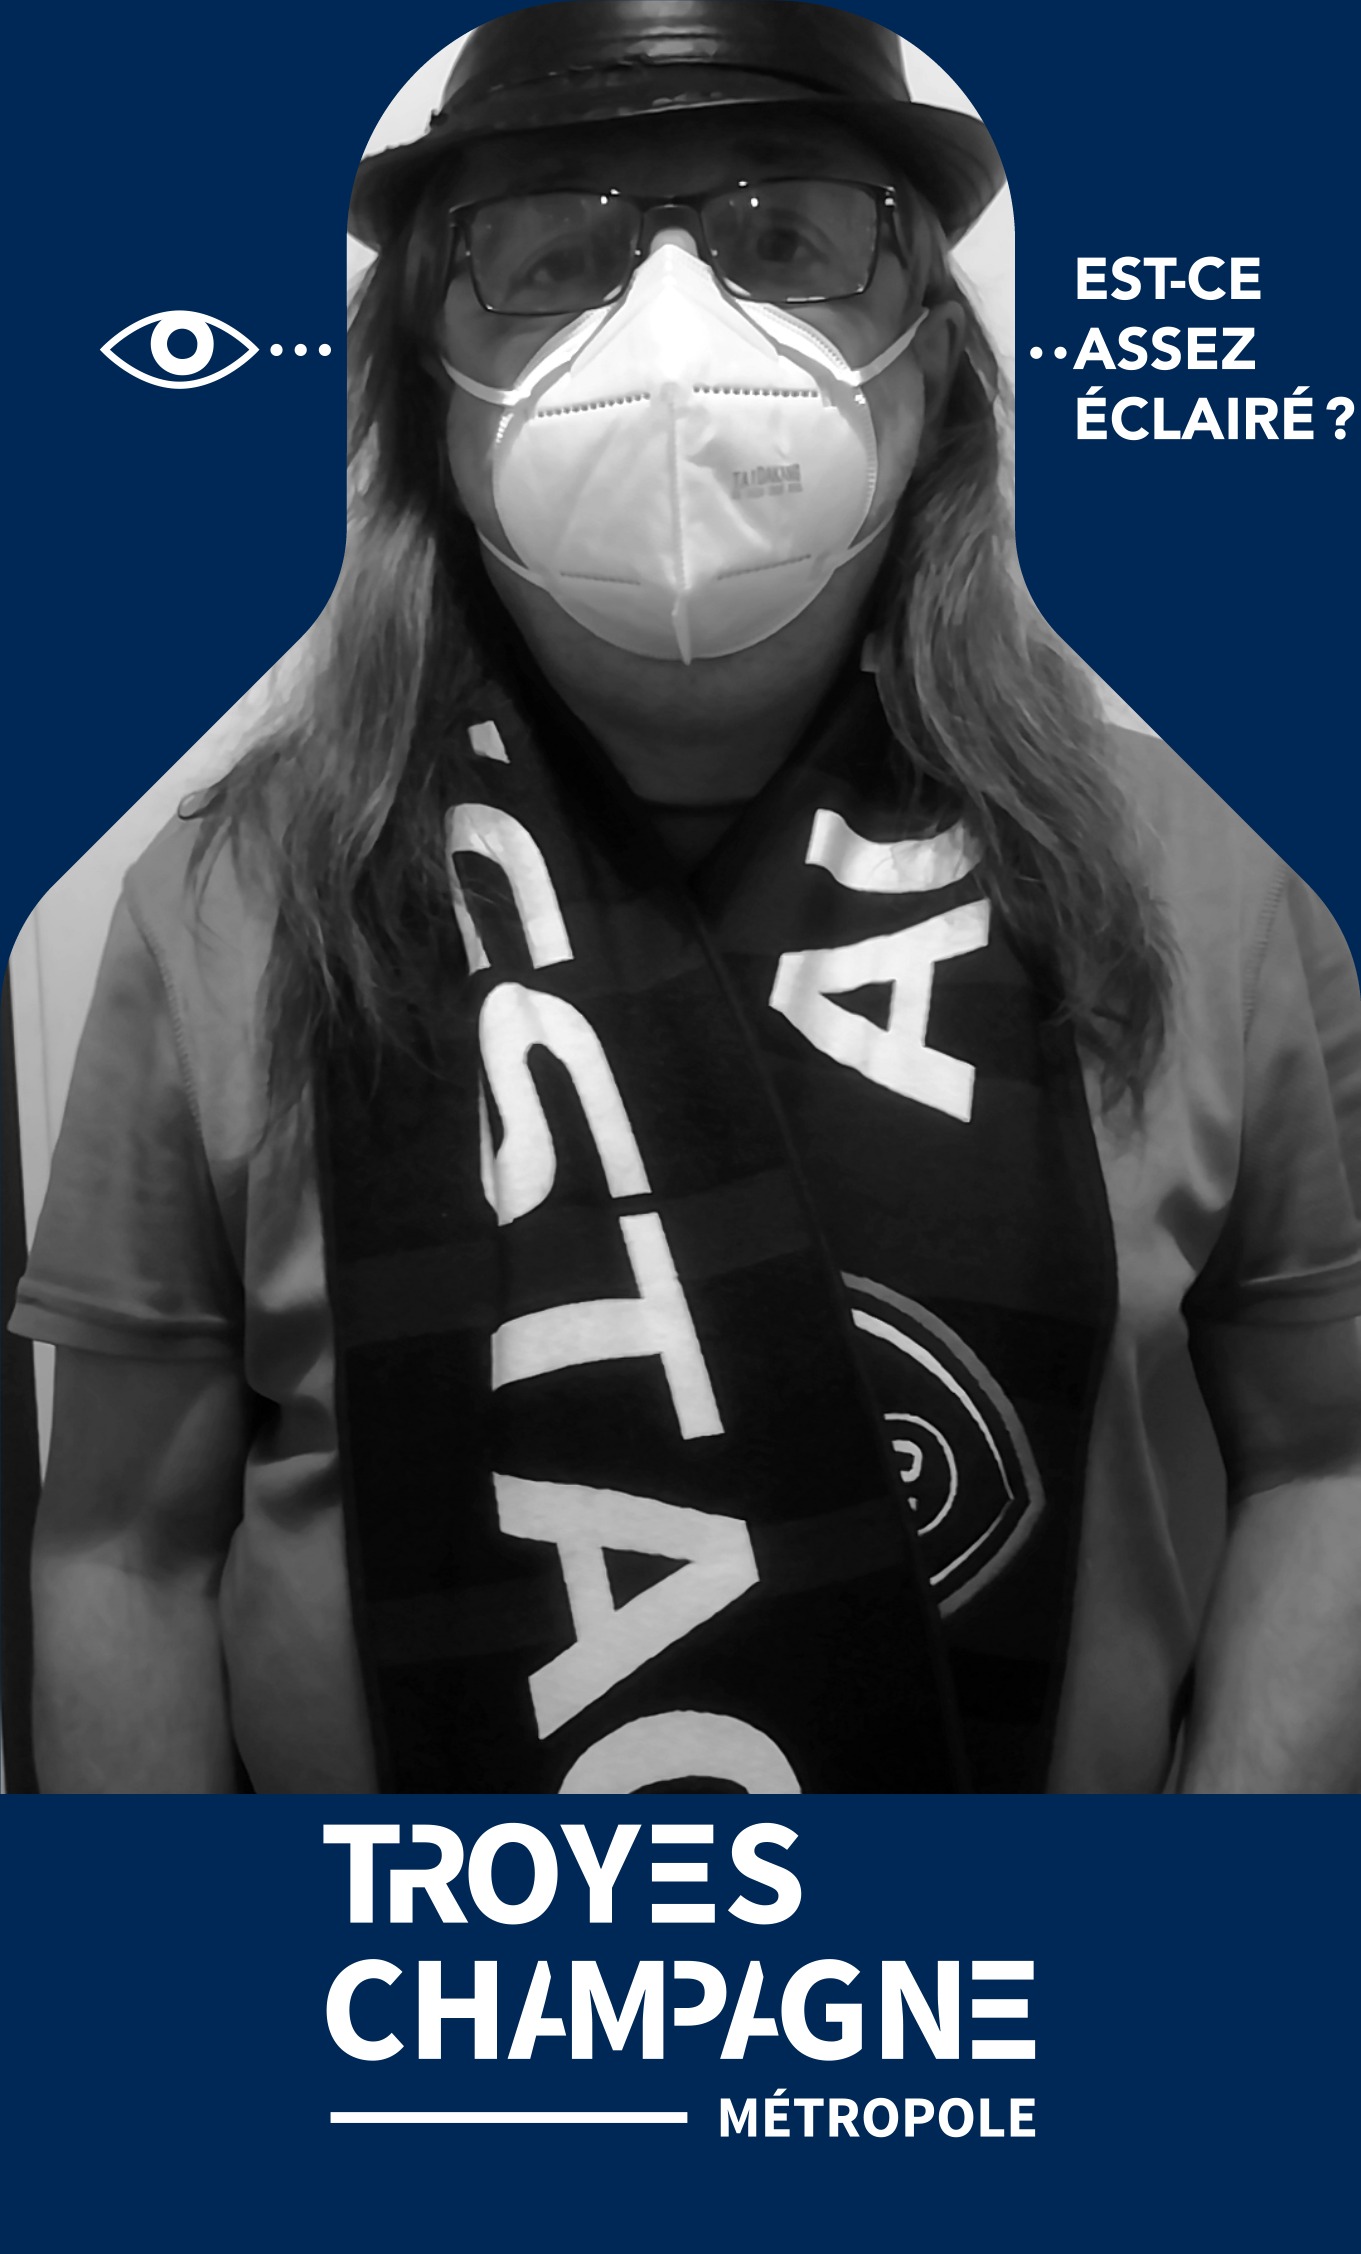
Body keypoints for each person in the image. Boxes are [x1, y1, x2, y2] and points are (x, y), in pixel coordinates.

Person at [12, 1, 1361, 1795]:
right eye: (548, 256)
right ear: (429, 387)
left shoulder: (1199, 877)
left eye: (783, 239)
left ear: (929, 363)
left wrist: (1212, 1917)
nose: (669, 334)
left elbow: (1328, 1454)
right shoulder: (242, 901)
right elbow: (123, 1545)